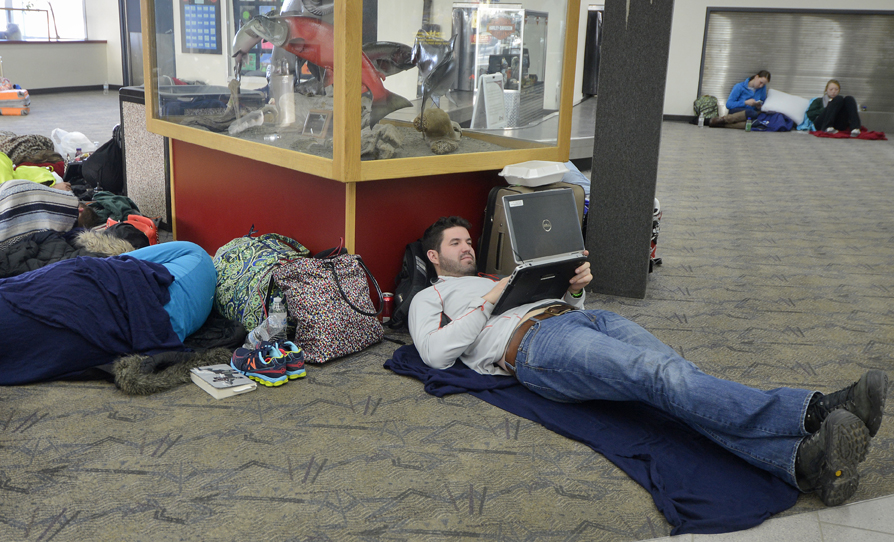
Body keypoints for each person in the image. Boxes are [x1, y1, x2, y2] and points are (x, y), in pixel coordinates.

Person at [408, 216, 888, 507]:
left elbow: (563, 306)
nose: (468, 246)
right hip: (534, 348)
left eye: (469, 240)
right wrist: (491, 298)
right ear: (434, 255)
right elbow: (435, 353)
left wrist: (573, 292)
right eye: (456, 243)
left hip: (578, 321)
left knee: (680, 380)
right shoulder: (431, 297)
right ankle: (816, 410)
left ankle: (803, 462)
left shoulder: (492, 278)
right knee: (664, 376)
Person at [0, 241, 216, 384]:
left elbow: (116, 262)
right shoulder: (196, 258)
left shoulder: (194, 254)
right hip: (123, 328)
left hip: (92, 295)